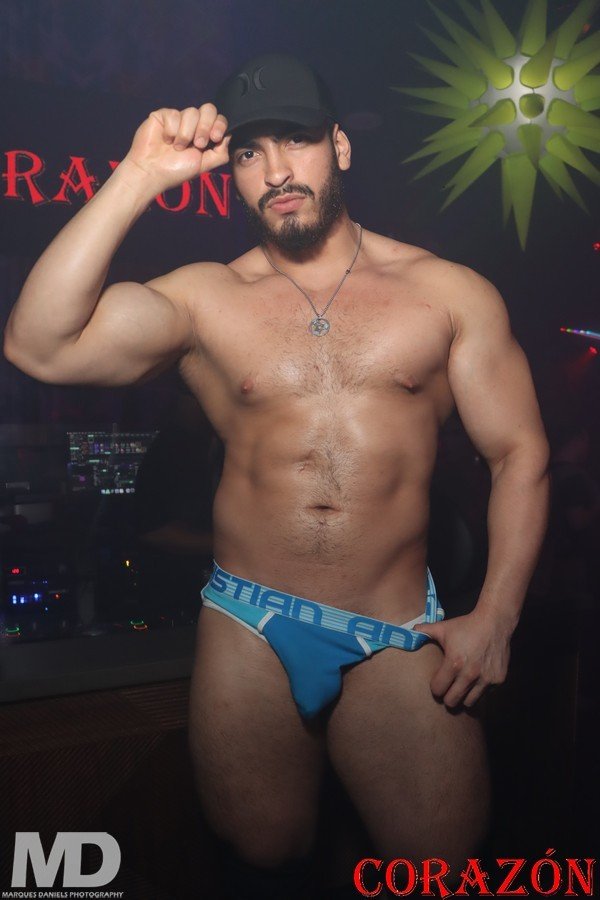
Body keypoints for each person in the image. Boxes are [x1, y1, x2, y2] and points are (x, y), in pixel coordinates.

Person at [3, 52, 550, 899]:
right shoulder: (205, 297)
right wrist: (138, 174)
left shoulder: (448, 292)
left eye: (296, 140)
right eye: (249, 152)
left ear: (340, 146)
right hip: (249, 622)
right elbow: (38, 345)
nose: (275, 172)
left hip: (395, 627)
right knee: (262, 855)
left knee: (436, 866)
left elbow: (520, 454)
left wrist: (499, 615)